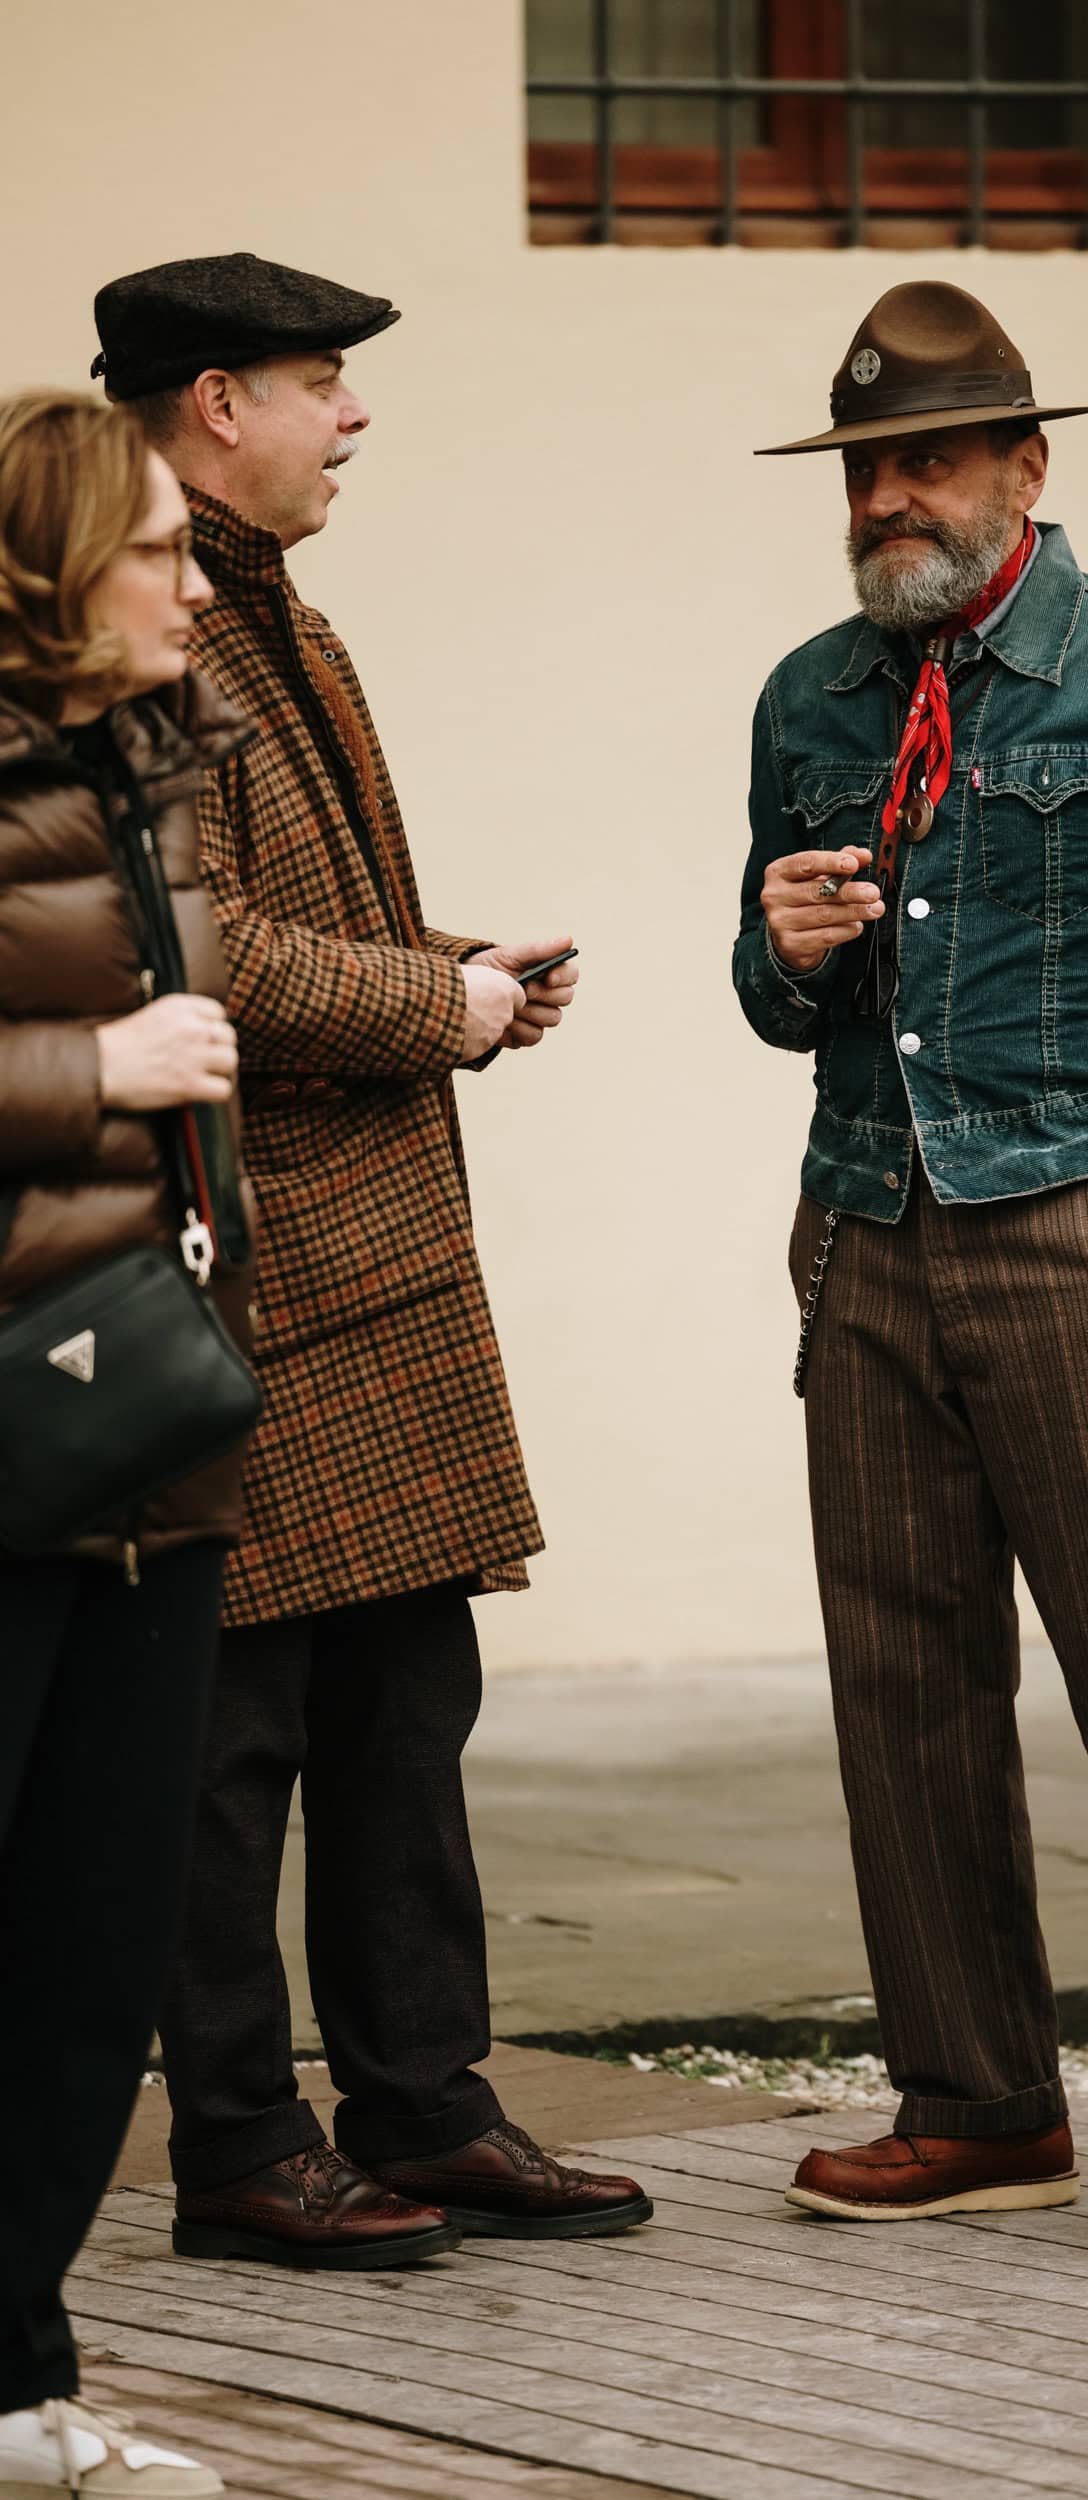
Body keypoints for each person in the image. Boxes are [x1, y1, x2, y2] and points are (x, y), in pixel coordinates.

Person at [735, 283, 1088, 2253]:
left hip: (1085, 1231)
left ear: (1023, 468)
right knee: (906, 1690)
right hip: (867, 1234)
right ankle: (976, 2099)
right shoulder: (814, 697)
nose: (888, 498)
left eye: (925, 462)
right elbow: (774, 998)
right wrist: (782, 945)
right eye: (865, 469)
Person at [89, 254, 647, 2266]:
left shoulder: (281, 612)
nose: (356, 415)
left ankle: (428, 2099)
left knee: (408, 1701)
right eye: (323, 380)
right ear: (211, 398)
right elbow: (195, 942)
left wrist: (449, 974)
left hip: (370, 1261)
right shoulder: (128, 633)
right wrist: (443, 1006)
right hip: (236, 1265)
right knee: (231, 1736)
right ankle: (241, 2141)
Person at [0, 388, 257, 2494]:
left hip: (149, 1428)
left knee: (95, 1946)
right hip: (4, 1432)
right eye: (161, 548)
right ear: (56, 570)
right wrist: (93, 1060)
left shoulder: (159, 765)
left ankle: (15, 2374)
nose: (196, 579)